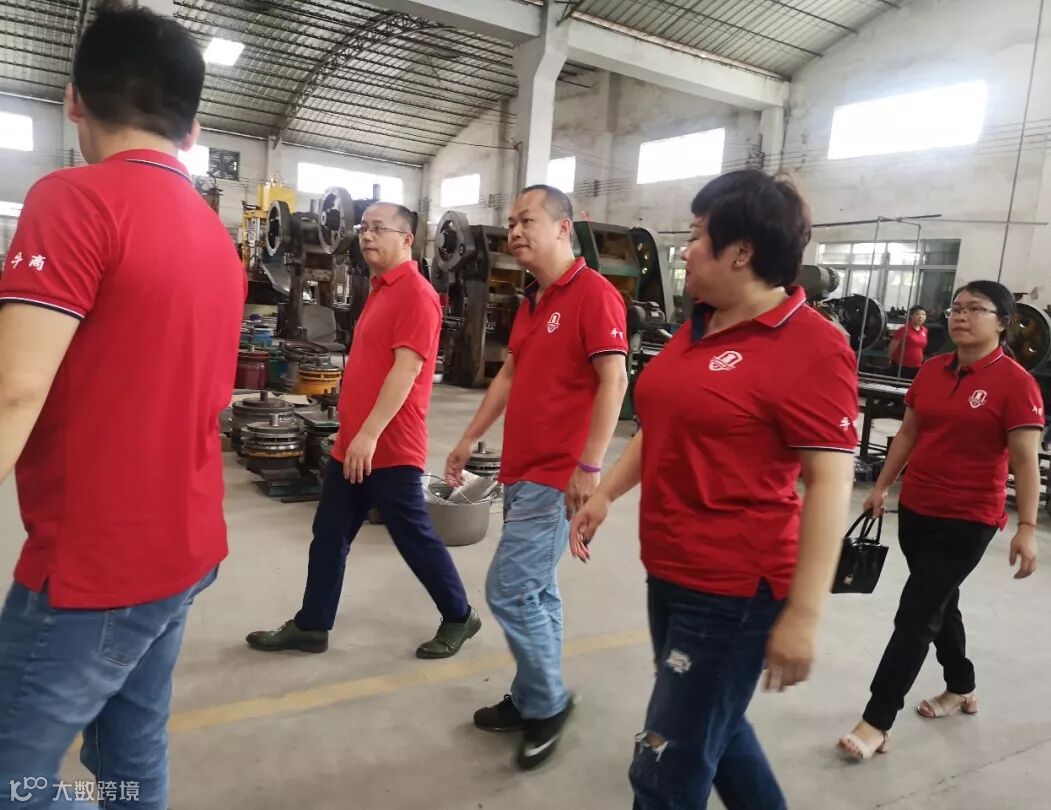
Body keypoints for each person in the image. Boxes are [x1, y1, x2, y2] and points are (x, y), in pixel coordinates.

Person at [0, 7, 244, 808]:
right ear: (193, 126)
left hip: (95, 566)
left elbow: (14, 389)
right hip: (183, 548)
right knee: (131, 755)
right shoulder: (216, 238)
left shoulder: (74, 200)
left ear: (73, 99)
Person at [570, 169, 859, 810]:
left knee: (664, 767)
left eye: (698, 235)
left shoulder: (813, 347)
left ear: (740, 252)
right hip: (670, 569)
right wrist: (608, 492)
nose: (685, 252)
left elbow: (829, 482)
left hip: (735, 589)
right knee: (715, 730)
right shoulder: (701, 323)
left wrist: (804, 614)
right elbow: (663, 424)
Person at [445, 185, 628, 771]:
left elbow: (615, 381)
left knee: (510, 589)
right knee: (537, 592)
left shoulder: (594, 295)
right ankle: (531, 697)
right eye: (511, 223)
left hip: (558, 476)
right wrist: (470, 436)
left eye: (527, 220)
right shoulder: (532, 300)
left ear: (563, 227)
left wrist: (590, 467)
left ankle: (548, 704)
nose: (515, 231)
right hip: (523, 472)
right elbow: (508, 377)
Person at [246, 203, 481, 659]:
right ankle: (312, 625)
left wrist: (370, 435)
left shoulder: (416, 294)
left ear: (407, 239)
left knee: (413, 538)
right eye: (364, 227)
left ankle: (459, 615)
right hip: (354, 443)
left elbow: (406, 371)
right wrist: (354, 434)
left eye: (378, 228)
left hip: (389, 445)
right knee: (329, 534)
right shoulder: (380, 288)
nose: (366, 236)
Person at [838, 280, 1042, 762]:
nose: (961, 315)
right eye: (956, 307)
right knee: (939, 602)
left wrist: (1028, 528)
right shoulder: (932, 370)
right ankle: (961, 685)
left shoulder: (1016, 384)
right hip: (917, 509)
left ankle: (876, 720)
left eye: (975, 309)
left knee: (915, 613)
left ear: (1003, 323)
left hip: (968, 518)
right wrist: (882, 486)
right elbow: (908, 434)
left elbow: (1026, 461)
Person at [888, 305, 929, 379]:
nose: (920, 317)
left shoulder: (924, 331)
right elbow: (892, 346)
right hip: (901, 366)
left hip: (916, 367)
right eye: (917, 314)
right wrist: (890, 360)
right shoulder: (903, 330)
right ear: (911, 316)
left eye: (923, 314)